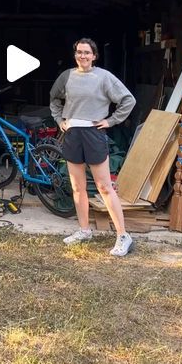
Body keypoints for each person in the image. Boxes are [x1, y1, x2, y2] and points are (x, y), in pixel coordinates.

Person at [50, 37, 136, 257]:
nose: (82, 56)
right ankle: (84, 230)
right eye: (79, 52)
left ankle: (123, 236)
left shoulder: (104, 77)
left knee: (104, 187)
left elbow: (128, 100)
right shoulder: (66, 76)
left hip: (94, 133)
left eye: (87, 52)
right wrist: (60, 120)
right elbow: (54, 99)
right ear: (75, 54)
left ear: (94, 56)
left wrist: (111, 120)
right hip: (72, 133)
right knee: (77, 187)